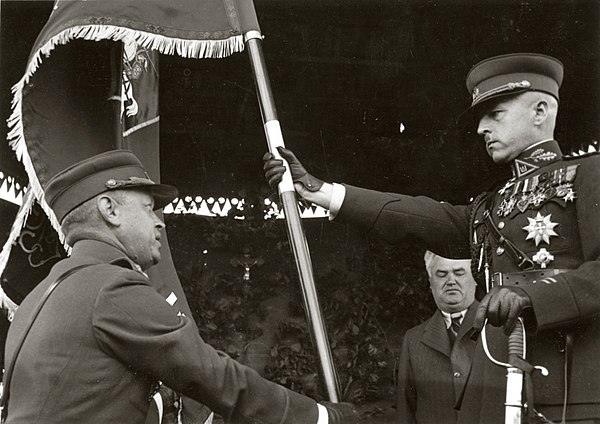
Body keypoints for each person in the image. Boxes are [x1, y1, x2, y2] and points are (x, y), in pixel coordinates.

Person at [264, 53, 600, 423]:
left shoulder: (590, 173)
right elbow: (419, 216)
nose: (481, 129)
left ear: (540, 111)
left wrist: (530, 296)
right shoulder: (492, 205)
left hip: (572, 397)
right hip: (497, 396)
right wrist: (320, 190)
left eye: (495, 114)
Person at [1, 150, 358, 424]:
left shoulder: (39, 297)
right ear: (109, 209)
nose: (160, 223)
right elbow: (214, 377)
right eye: (149, 208)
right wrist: (321, 416)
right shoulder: (113, 286)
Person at [397, 252, 478, 424]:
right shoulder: (413, 339)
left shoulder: (497, 329)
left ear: (475, 278)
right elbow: (406, 411)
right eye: (441, 274)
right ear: (430, 283)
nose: (451, 281)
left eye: (459, 273)